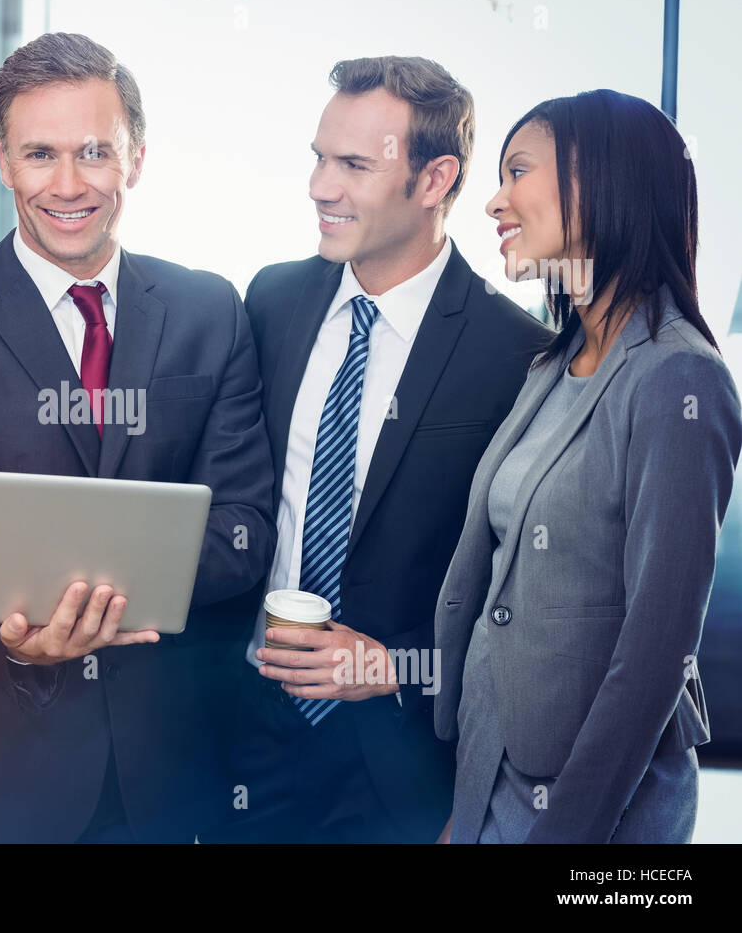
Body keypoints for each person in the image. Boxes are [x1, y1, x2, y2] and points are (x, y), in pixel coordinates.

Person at [0, 31, 275, 843]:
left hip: (170, 768)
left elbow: (244, 527)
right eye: (39, 154)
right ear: (4, 162)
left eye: (94, 152)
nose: (67, 185)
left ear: (137, 157)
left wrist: (94, 596)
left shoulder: (209, 310)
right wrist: (92, 599)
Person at [209, 56, 551, 843]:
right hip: (246, 737)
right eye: (320, 158)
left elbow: (530, 593)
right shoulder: (271, 299)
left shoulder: (519, 354)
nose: (321, 187)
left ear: (435, 180)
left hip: (404, 760)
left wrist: (403, 666)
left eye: (355, 165)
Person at [434, 89, 742, 843]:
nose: (494, 202)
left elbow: (655, 651)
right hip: (494, 777)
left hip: (590, 812)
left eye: (518, 172)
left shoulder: (678, 378)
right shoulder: (554, 364)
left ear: (601, 181)